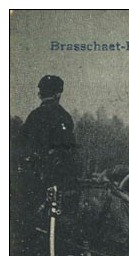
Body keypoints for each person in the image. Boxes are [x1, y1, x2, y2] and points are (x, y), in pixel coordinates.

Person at [13, 75, 80, 247]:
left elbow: (18, 145)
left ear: (40, 94)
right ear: (59, 94)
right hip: (59, 180)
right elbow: (69, 150)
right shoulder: (64, 117)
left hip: (32, 179)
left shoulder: (34, 116)